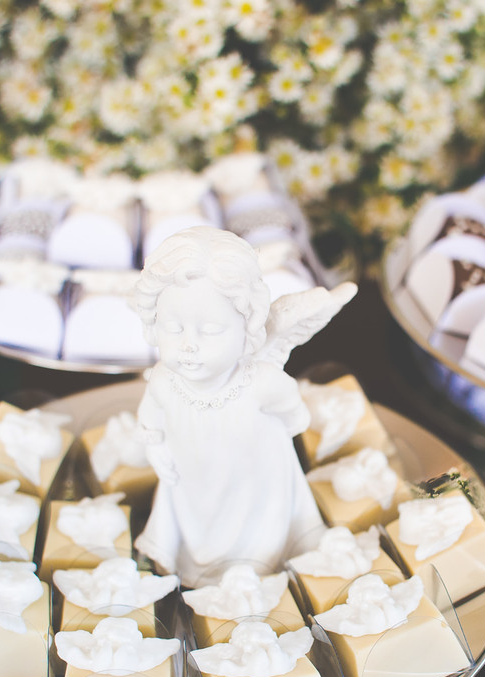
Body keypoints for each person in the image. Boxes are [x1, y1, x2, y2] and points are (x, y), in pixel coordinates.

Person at [130, 227, 351, 584]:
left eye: (211, 330)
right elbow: (150, 421)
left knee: (255, 536)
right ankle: (198, 567)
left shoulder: (258, 381)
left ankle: (255, 571)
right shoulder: (163, 380)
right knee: (196, 525)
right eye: (172, 327)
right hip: (192, 480)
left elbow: (294, 411)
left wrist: (289, 430)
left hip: (253, 485)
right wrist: (156, 450)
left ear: (247, 328)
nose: (188, 345)